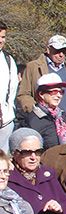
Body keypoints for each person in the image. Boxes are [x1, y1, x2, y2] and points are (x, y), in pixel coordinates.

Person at [17, 35, 66, 121]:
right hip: (43, 121)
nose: (61, 55)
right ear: (48, 49)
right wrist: (35, 111)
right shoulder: (33, 67)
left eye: (64, 51)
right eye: (57, 51)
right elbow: (23, 94)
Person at [16, 74, 66, 150]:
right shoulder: (32, 120)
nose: (59, 95)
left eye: (61, 92)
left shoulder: (63, 117)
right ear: (41, 94)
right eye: (54, 92)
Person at [0, 22, 18, 153]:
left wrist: (9, 110)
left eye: (3, 37)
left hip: (5, 121)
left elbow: (12, 90)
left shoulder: (8, 60)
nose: (1, 40)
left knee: (3, 160)